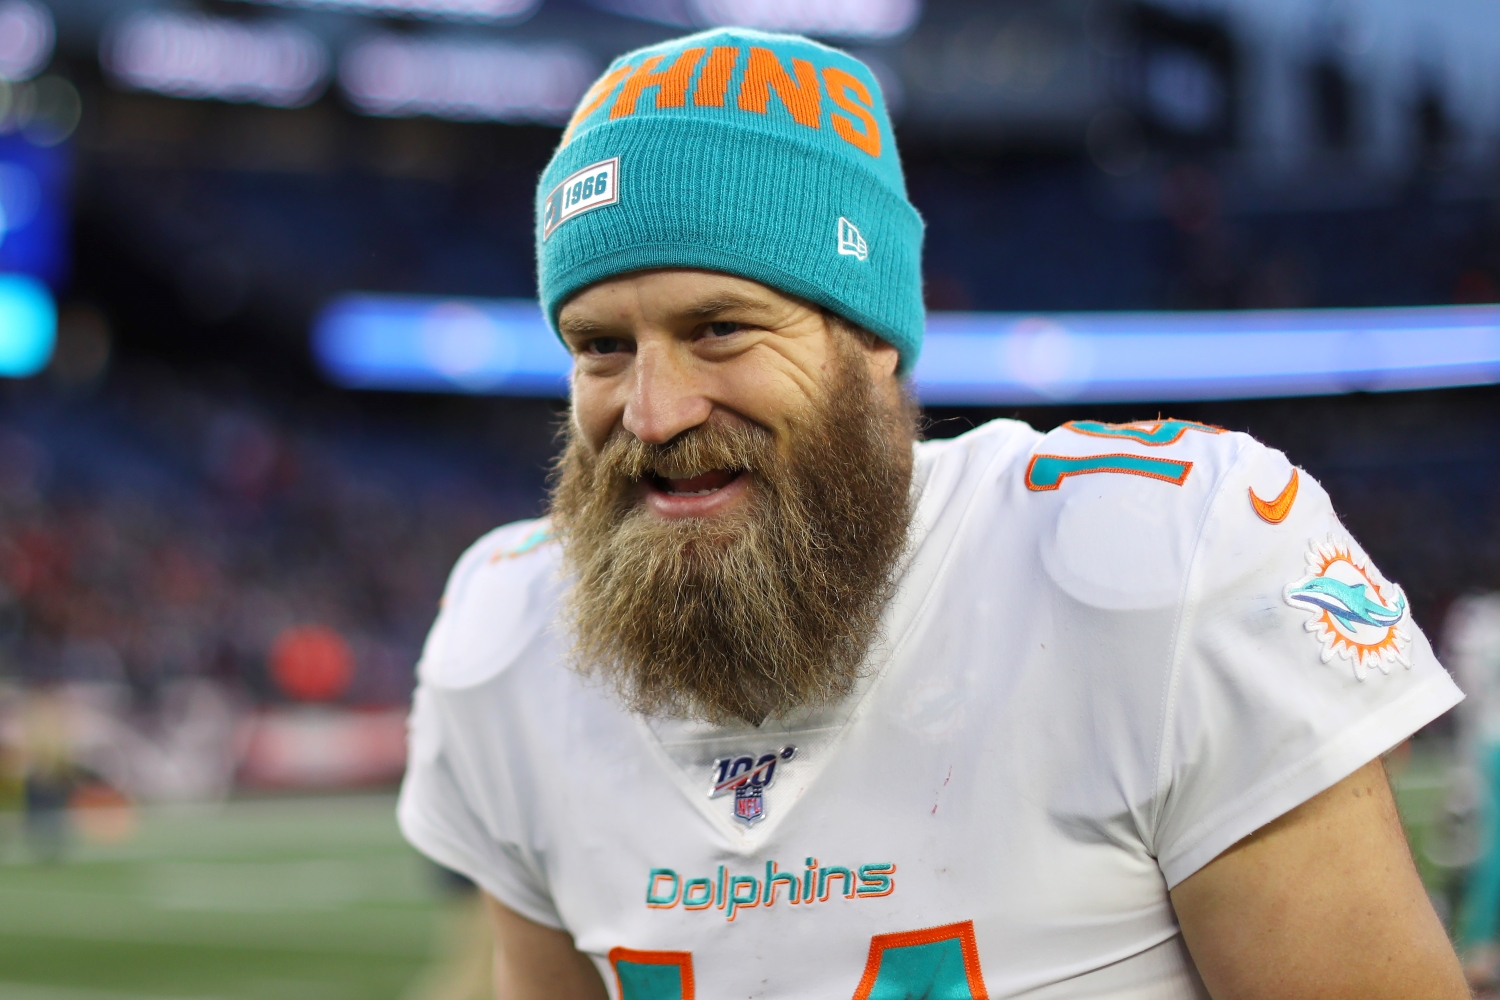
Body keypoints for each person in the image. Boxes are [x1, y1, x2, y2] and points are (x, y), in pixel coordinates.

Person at [398, 27, 1469, 999]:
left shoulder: (1163, 560)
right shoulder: (509, 634)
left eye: (722, 328)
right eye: (601, 346)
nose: (656, 410)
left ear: (872, 345)